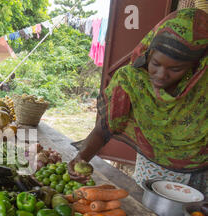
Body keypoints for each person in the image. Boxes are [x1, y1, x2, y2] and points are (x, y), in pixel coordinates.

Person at [68, 8, 207, 193]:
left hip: (198, 178)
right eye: (155, 64)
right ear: (148, 54)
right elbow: (104, 128)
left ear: (196, 66)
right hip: (150, 170)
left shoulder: (202, 87)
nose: (160, 75)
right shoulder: (131, 80)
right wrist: (82, 158)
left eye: (176, 69)